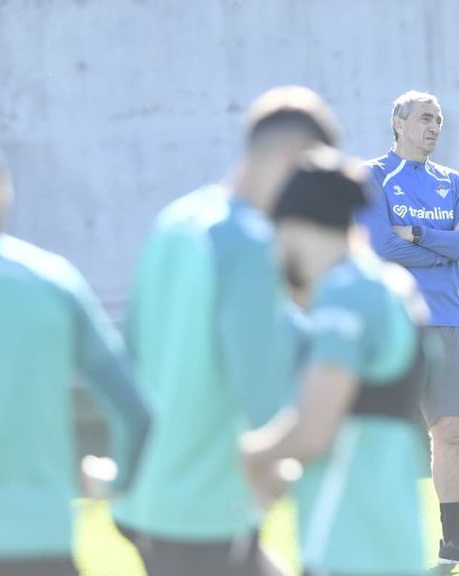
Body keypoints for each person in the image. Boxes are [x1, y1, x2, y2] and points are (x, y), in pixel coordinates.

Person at [111, 86, 337, 576]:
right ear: (292, 157)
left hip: (145, 496)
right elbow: (262, 390)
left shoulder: (173, 222)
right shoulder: (249, 242)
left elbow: (127, 355)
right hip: (207, 507)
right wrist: (285, 464)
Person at [241, 147, 432, 576]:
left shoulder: (343, 294)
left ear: (294, 227)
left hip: (346, 544)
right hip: (392, 539)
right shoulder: (392, 286)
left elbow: (313, 433)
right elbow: (360, 431)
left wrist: (235, 457)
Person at [0, 145, 151, 576]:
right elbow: (137, 411)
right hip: (39, 542)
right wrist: (118, 484)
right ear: (4, 191)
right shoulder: (54, 284)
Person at [358, 91, 459, 563]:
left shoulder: (451, 181)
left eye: (439, 120)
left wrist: (420, 235)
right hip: (392, 323)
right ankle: (377, 540)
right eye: (425, 118)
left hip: (447, 320)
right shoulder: (372, 176)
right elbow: (382, 248)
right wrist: (442, 248)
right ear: (398, 121)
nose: (434, 127)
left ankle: (451, 540)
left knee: (450, 430)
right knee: (384, 435)